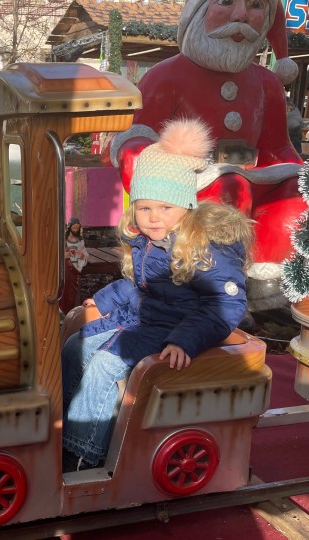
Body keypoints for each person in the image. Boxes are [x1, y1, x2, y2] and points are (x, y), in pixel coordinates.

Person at [107, 0, 309, 310]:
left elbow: (277, 149)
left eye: (255, 6)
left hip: (255, 182)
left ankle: (267, 284)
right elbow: (138, 137)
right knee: (226, 191)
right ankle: (207, 284)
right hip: (188, 189)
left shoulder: (266, 83)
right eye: (225, 2)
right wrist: (141, 160)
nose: (241, 16)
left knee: (295, 201)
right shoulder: (166, 76)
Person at [63, 119, 254, 471]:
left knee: (105, 365)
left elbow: (225, 304)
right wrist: (105, 299)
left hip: (174, 329)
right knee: (76, 345)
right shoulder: (147, 240)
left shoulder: (203, 247)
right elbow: (140, 283)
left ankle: (82, 454)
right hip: (143, 320)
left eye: (165, 208)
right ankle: (65, 425)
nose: (153, 217)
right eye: (145, 207)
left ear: (185, 207)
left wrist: (184, 340)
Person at [59, 217, 89, 313]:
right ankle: (62, 310)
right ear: (69, 228)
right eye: (74, 228)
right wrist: (63, 255)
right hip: (66, 269)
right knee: (64, 290)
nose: (75, 230)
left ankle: (72, 311)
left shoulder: (80, 241)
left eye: (77, 228)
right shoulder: (63, 240)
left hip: (75, 269)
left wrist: (82, 255)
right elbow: (56, 253)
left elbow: (85, 253)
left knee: (73, 293)